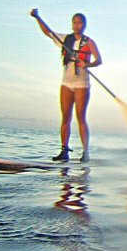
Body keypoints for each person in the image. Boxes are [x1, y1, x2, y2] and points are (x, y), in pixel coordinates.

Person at [30, 9, 102, 162]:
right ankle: (64, 150)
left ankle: (85, 152)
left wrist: (87, 64)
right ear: (72, 24)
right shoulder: (65, 39)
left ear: (84, 25)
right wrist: (37, 17)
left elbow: (99, 60)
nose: (77, 26)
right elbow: (48, 32)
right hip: (66, 83)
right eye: (74, 23)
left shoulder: (88, 42)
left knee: (80, 117)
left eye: (80, 23)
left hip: (82, 83)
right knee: (65, 117)